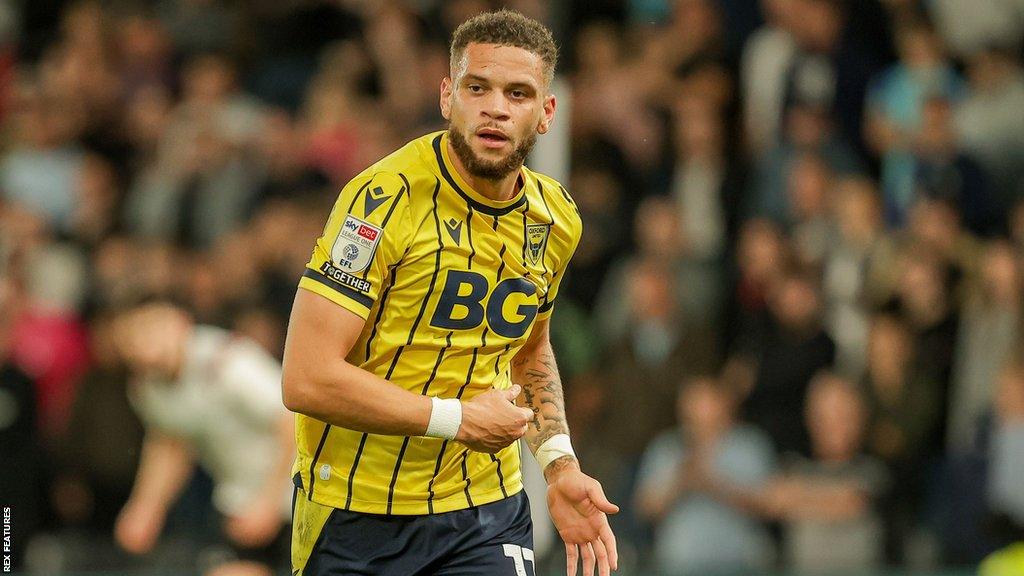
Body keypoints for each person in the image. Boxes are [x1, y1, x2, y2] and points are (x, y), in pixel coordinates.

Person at [281, 10, 619, 576]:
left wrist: (559, 464)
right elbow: (306, 376)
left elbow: (529, 349)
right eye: (477, 87)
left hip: (485, 512)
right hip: (354, 514)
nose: (495, 108)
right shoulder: (379, 203)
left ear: (546, 113)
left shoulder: (555, 219)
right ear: (446, 96)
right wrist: (455, 419)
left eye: (518, 93)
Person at [111, 303, 293, 576]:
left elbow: (291, 422)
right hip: (237, 500)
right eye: (131, 336)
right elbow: (171, 442)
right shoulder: (146, 387)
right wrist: (145, 507)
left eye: (150, 329)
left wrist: (269, 502)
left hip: (296, 495)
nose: (141, 343)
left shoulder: (227, 361)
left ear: (180, 323)